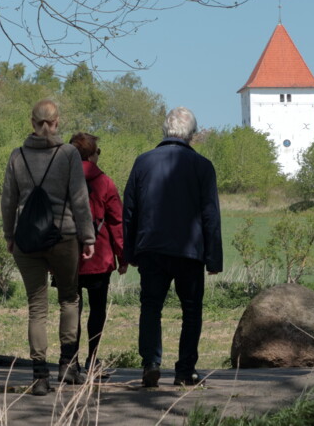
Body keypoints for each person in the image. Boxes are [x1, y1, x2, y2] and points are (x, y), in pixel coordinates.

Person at [1, 99, 95, 396]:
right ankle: (67, 366)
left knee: (36, 307)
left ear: (33, 123)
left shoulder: (17, 156)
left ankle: (40, 376)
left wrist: (9, 235)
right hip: (64, 237)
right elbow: (79, 200)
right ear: (56, 123)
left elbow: (8, 201)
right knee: (69, 298)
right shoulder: (68, 154)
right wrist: (88, 237)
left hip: (27, 240)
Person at [123, 107, 222, 388]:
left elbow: (129, 210)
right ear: (191, 134)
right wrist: (213, 257)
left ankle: (151, 363)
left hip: (152, 248)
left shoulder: (142, 163)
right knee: (191, 310)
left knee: (151, 306)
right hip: (189, 250)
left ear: (166, 131)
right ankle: (184, 370)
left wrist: (128, 251)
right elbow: (210, 215)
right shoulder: (203, 166)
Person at [69, 132, 128, 378]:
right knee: (97, 311)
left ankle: (69, 362)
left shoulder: (62, 180)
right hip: (98, 259)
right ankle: (93, 360)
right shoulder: (105, 182)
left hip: (68, 257)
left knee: (70, 310)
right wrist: (123, 256)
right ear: (92, 154)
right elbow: (116, 222)